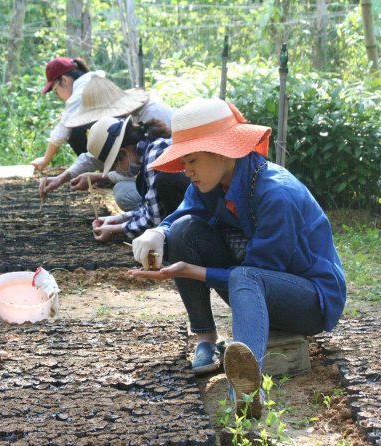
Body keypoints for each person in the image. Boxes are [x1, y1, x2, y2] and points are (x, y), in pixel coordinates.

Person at [129, 98, 346, 418]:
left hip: (309, 300)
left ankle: (244, 391)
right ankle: (206, 340)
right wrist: (159, 233)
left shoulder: (277, 193)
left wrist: (193, 271)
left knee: (246, 276)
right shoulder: (210, 183)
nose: (186, 171)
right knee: (183, 230)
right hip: (255, 286)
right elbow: (183, 214)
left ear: (220, 152)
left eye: (191, 160)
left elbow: (260, 270)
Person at [39, 74, 173, 211]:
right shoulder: (124, 122)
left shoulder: (153, 114)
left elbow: (154, 173)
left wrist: (99, 177)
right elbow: (94, 156)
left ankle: (160, 220)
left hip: (173, 181)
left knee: (124, 192)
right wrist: (61, 178)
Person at [87, 116, 189, 242]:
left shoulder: (155, 155)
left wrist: (117, 229)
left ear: (123, 153)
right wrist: (118, 219)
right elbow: (149, 207)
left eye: (115, 166)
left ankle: (181, 238)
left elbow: (154, 218)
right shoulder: (151, 148)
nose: (118, 170)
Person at [30, 57, 104, 171]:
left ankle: (102, 170)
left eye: (55, 90)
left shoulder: (81, 92)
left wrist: (45, 160)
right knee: (76, 131)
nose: (58, 96)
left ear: (64, 80)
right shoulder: (90, 79)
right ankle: (99, 169)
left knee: (72, 131)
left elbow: (62, 131)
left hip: (120, 139)